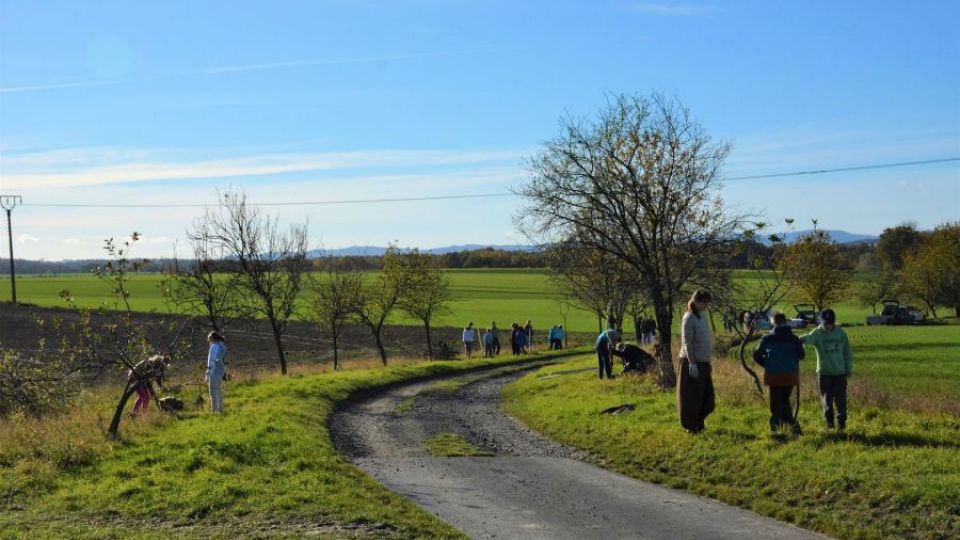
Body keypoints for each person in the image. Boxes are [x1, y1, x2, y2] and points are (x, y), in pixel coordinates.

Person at [800, 309, 853, 431]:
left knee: (840, 399)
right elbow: (807, 338)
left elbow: (847, 352)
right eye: (825, 323)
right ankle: (829, 423)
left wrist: (848, 369)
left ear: (833, 322)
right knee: (826, 399)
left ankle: (841, 425)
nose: (827, 326)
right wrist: (797, 339)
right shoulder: (817, 333)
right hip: (824, 373)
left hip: (840, 372)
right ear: (821, 322)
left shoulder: (841, 333)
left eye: (830, 323)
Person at [753, 312, 805, 435]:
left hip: (774, 374)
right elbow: (801, 355)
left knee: (776, 402)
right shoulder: (794, 338)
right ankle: (793, 428)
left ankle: (776, 428)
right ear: (785, 322)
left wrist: (767, 364)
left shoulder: (767, 338)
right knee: (785, 400)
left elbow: (756, 355)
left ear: (773, 322)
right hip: (790, 374)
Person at [677, 289, 715, 433]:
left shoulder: (702, 315)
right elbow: (687, 343)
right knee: (691, 398)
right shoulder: (689, 317)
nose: (706, 305)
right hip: (691, 363)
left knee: (707, 399)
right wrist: (692, 364)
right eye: (705, 302)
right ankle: (692, 427)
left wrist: (708, 361)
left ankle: (699, 422)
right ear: (698, 301)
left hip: (704, 363)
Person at [205, 331, 228, 414]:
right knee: (218, 391)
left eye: (209, 338)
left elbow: (211, 361)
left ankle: (214, 411)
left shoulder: (214, 347)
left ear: (212, 338)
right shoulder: (222, 346)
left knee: (212, 392)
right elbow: (221, 360)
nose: (208, 340)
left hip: (214, 372)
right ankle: (220, 409)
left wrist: (208, 373)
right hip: (221, 370)